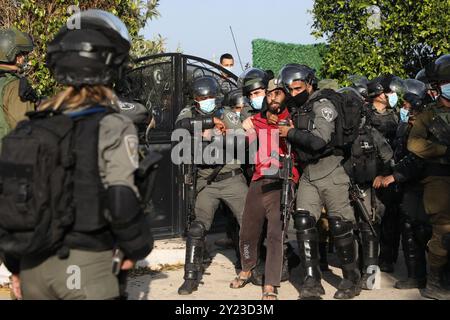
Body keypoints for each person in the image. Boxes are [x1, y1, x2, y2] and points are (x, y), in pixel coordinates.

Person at [0, 9, 154, 300]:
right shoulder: (113, 124)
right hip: (86, 267)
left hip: (33, 268)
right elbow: (121, 198)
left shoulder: (36, 124)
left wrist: (16, 267)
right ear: (113, 65)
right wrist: (137, 247)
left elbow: (12, 201)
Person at [278, 64, 361, 300]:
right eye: (290, 89)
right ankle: (312, 280)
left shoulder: (322, 104)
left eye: (298, 88)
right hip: (309, 173)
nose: (294, 93)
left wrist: (290, 133)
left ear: (310, 83)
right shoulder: (299, 107)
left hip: (331, 169)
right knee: (303, 222)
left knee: (339, 225)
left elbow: (319, 141)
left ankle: (351, 278)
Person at [175, 75, 248, 295]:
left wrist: (213, 137)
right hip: (206, 180)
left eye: (209, 96)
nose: (205, 100)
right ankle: (190, 276)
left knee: (248, 224)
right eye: (201, 97)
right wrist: (208, 124)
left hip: (231, 178)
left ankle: (250, 267)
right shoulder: (189, 113)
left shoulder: (227, 113)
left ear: (216, 97)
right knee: (197, 228)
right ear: (195, 99)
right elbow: (179, 128)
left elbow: (241, 140)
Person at [229, 79, 299, 300]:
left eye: (278, 93)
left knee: (275, 234)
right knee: (248, 229)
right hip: (260, 178)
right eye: (269, 94)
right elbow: (239, 138)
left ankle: (270, 283)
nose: (273, 98)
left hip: (284, 180)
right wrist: (243, 125)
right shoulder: (257, 119)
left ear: (285, 95)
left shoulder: (294, 119)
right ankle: (247, 268)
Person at [340, 87, 394, 290]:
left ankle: (370, 275)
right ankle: (352, 273)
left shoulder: (371, 133)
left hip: (369, 187)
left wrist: (382, 176)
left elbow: (389, 159)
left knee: (369, 227)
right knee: (346, 228)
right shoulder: (339, 134)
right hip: (345, 186)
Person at [380, 79, 431, 290]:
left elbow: (419, 156)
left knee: (421, 230)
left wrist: (396, 176)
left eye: (407, 102)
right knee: (407, 227)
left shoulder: (427, 123)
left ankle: (430, 277)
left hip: (423, 183)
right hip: (407, 184)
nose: (403, 106)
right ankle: (415, 276)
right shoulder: (406, 122)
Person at [408, 54, 450, 300]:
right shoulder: (428, 116)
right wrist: (443, 151)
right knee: (444, 233)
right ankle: (434, 282)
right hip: (440, 180)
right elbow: (414, 144)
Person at [366, 76, 401, 273]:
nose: (392, 96)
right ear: (377, 94)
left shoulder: (396, 116)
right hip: (371, 173)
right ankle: (369, 258)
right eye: (388, 92)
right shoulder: (365, 116)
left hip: (392, 173)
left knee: (391, 218)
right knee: (371, 218)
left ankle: (388, 258)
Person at [0, 28, 37, 145]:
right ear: (16, 56)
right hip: (9, 157)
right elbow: (24, 129)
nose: (24, 58)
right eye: (23, 53)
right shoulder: (15, 86)